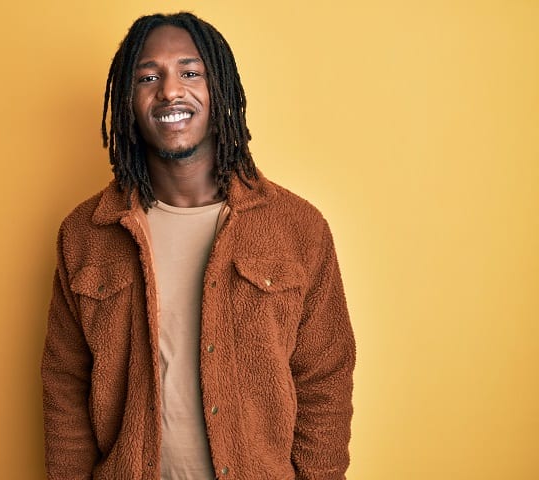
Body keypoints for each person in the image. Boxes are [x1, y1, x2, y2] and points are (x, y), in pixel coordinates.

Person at [42, 12, 355, 480]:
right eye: (149, 77)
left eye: (190, 73)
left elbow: (325, 380)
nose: (170, 90)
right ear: (128, 101)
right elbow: (65, 385)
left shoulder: (297, 228)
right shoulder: (87, 233)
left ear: (220, 92)